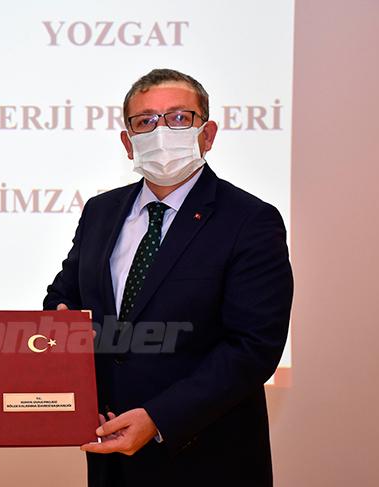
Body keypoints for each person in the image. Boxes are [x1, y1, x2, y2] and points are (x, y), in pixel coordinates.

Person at [44, 69, 293, 486]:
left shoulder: (250, 220)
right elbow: (63, 296)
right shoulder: (100, 212)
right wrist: (59, 323)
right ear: (128, 142)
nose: (161, 131)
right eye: (145, 121)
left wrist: (158, 417)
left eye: (179, 118)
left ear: (207, 134)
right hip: (110, 453)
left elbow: (253, 347)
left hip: (206, 457)